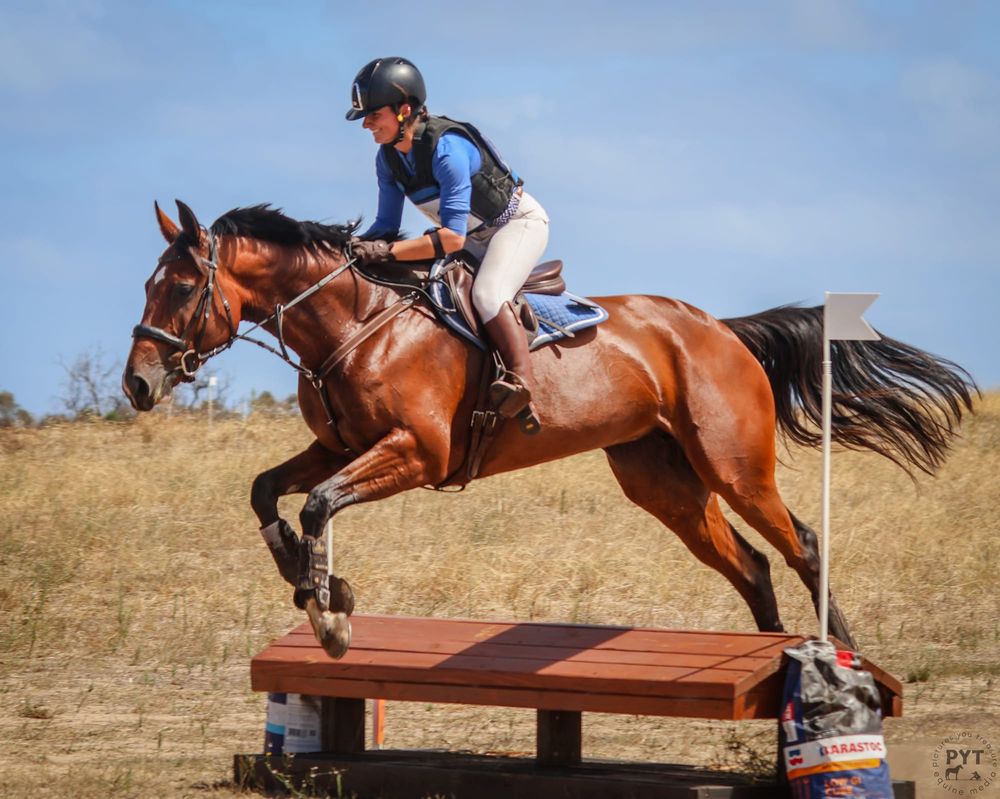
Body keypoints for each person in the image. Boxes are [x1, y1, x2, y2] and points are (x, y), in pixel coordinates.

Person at [346, 56, 549, 427]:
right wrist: (350, 248)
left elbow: (451, 238)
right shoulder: (388, 159)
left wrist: (386, 251)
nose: (366, 124)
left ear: (404, 110)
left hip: (516, 227)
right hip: (470, 238)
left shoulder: (447, 150)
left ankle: (522, 382)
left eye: (374, 114)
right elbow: (386, 227)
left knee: (488, 295)